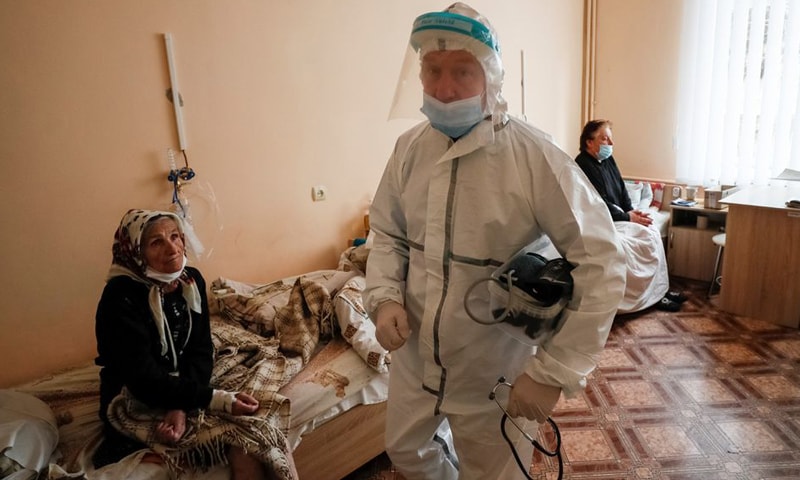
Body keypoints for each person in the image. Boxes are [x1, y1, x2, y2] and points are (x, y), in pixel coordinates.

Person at [363, 4, 627, 479]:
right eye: (432, 70)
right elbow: (387, 232)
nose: (444, 89)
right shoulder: (409, 150)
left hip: (494, 368)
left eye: (462, 71)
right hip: (416, 359)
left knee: (494, 474)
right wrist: (383, 299)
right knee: (406, 452)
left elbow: (602, 261)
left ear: (490, 76)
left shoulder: (533, 156)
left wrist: (553, 372)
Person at [93, 209, 297, 480]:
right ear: (135, 253)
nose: (173, 248)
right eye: (156, 242)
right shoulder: (120, 297)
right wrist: (216, 400)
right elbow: (142, 378)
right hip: (136, 393)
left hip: (180, 386)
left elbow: (200, 350)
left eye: (175, 236)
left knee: (252, 430)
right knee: (242, 435)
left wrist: (179, 407)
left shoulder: (190, 280)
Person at [575, 120, 687, 312]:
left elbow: (621, 188)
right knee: (637, 242)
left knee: (651, 230)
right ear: (589, 142)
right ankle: (648, 296)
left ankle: (660, 291)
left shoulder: (608, 160)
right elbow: (597, 204)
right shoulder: (582, 165)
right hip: (603, 220)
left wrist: (632, 211)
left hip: (621, 215)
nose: (610, 144)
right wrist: (628, 218)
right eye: (604, 138)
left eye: (611, 139)